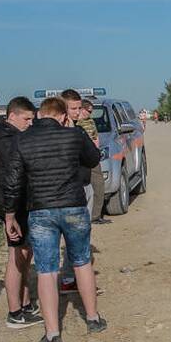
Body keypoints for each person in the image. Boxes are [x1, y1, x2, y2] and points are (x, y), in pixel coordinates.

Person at [3, 96, 106, 342]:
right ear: (63, 116)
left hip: (41, 211)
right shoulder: (74, 135)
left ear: (39, 115)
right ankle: (93, 319)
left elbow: (13, 181)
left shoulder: (22, 140)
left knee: (47, 270)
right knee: (82, 261)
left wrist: (10, 215)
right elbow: (93, 159)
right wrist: (73, 130)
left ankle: (52, 335)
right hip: (73, 206)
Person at [0, 96, 41, 329]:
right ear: (12, 116)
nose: (29, 123)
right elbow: (11, 182)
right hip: (11, 206)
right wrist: (10, 214)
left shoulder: (6, 137)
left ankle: (25, 304)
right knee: (16, 256)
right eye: (26, 119)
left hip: (14, 205)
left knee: (24, 254)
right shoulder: (8, 142)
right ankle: (15, 312)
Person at [59, 90, 96, 293]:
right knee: (75, 237)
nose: (78, 112)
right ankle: (70, 279)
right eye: (73, 108)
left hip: (84, 183)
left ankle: (72, 278)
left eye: (79, 107)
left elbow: (94, 156)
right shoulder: (65, 133)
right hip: (72, 191)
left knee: (80, 236)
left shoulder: (79, 129)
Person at [79, 99, 107, 224]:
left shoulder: (91, 122)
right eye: (88, 111)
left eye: (91, 112)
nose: (90, 114)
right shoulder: (72, 123)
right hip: (79, 159)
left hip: (92, 157)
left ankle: (96, 216)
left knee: (99, 185)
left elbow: (96, 138)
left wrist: (96, 152)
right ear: (82, 109)